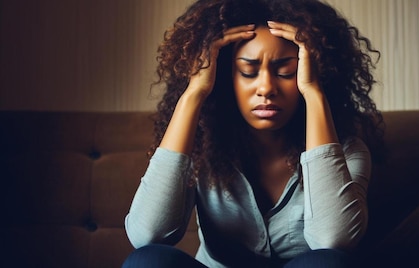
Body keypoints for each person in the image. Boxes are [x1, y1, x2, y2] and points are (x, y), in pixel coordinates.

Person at [123, 0, 384, 267]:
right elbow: (148, 234)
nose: (266, 88)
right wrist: (194, 93)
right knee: (147, 260)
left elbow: (334, 239)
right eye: (248, 71)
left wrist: (314, 93)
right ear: (225, 76)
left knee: (328, 263)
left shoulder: (348, 152)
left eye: (286, 71)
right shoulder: (201, 149)